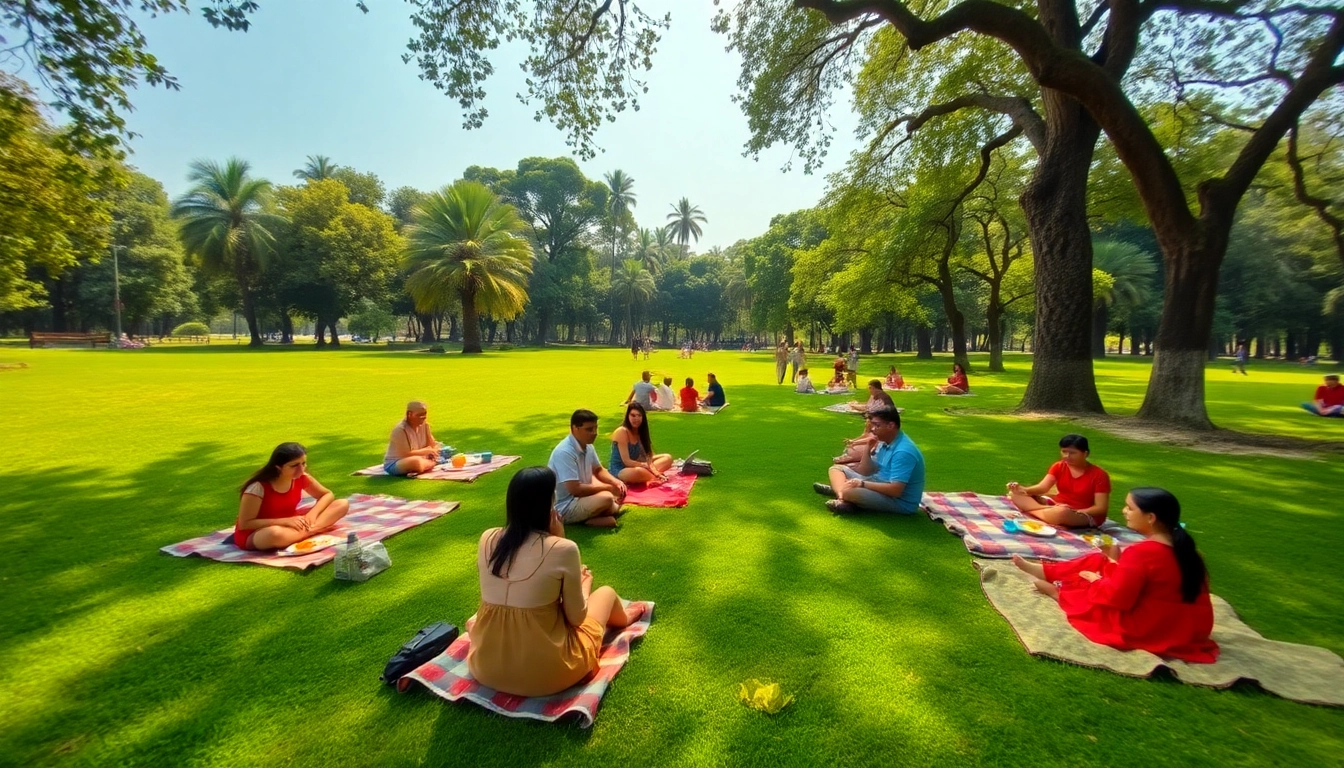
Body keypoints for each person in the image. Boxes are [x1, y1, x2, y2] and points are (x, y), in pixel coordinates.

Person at [466, 467, 643, 697]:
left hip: (485, 667)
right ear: (547, 504)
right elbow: (576, 617)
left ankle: (613, 619)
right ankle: (624, 619)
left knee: (480, 619)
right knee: (607, 593)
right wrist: (578, 576)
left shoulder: (487, 537)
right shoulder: (563, 549)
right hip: (548, 675)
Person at [1011, 488, 1218, 663]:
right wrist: (1114, 562)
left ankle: (1059, 592)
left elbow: (1118, 599)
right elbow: (1159, 583)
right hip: (1192, 629)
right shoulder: (1189, 551)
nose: (1124, 511)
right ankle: (1046, 571)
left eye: (1130, 508)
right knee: (1099, 560)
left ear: (1151, 518)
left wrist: (1097, 582)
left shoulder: (1143, 552)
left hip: (1154, 628)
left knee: (1088, 587)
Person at [233, 442, 350, 550]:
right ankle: (315, 530)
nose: (301, 469)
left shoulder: (302, 478)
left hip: (293, 524)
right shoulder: (257, 488)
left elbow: (327, 495)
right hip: (258, 533)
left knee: (342, 504)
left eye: (303, 463)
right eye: (294, 465)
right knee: (274, 534)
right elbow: (245, 524)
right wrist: (285, 521)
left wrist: (312, 515)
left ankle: (307, 531)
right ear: (278, 467)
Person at [814, 407, 925, 514]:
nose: (872, 429)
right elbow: (865, 471)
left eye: (877, 425)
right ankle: (842, 496)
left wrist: (862, 484)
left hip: (899, 501)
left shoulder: (903, 452)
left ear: (891, 425)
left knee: (850, 491)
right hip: (877, 482)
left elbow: (895, 490)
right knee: (836, 469)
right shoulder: (885, 441)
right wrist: (868, 448)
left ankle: (840, 491)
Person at [1006, 434, 1111, 528]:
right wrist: (1022, 490)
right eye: (1064, 452)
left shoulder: (1099, 475)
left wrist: (1074, 512)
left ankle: (1035, 512)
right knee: (1014, 494)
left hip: (1082, 513)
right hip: (1056, 505)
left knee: (1061, 513)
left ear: (1085, 454)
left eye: (1073, 453)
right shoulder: (1059, 466)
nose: (1067, 456)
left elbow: (1100, 508)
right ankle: (1046, 512)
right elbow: (1043, 487)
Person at [547, 410, 626, 528]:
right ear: (575, 428)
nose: (594, 433)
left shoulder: (588, 446)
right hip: (565, 505)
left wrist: (616, 482)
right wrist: (608, 488)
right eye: (589, 429)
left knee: (613, 496)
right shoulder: (564, 452)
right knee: (607, 498)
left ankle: (599, 515)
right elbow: (575, 490)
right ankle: (589, 519)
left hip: (583, 497)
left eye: (595, 428)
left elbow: (598, 470)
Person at [609, 403, 675, 484]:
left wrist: (652, 468)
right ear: (627, 416)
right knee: (638, 472)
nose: (636, 418)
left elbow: (648, 456)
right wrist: (646, 466)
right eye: (633, 415)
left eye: (639, 415)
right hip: (621, 469)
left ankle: (650, 477)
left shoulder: (640, 432)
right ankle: (655, 478)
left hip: (638, 465)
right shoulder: (622, 431)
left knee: (667, 458)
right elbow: (626, 461)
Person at [383, 400, 443, 476]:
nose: (423, 417)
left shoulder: (425, 425)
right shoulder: (400, 430)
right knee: (416, 462)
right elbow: (405, 454)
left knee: (441, 447)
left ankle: (429, 463)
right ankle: (433, 463)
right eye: (420, 415)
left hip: (422, 457)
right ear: (409, 414)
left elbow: (432, 444)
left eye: (425, 414)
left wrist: (434, 450)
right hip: (397, 462)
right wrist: (425, 451)